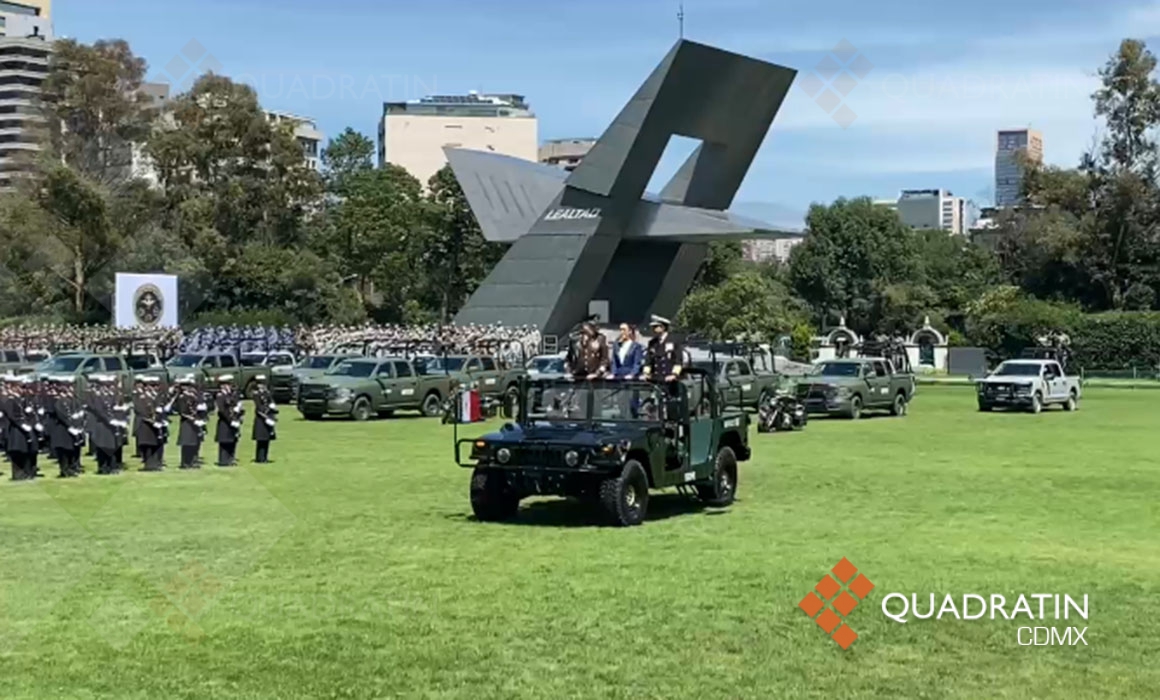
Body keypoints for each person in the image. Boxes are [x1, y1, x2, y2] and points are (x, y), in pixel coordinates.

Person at [642, 316, 684, 382]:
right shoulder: (652, 343)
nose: (653, 329)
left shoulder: (673, 341)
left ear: (663, 327)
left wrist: (674, 374)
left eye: (656, 326)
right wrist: (646, 373)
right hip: (655, 378)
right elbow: (648, 360)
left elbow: (678, 360)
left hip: (669, 379)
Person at [174, 376, 202, 469]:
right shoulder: (182, 397)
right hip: (187, 423)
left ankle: (193, 461)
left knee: (194, 442)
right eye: (186, 386)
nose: (188, 388)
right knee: (187, 443)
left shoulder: (193, 396)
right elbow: (182, 412)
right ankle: (185, 462)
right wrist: (193, 419)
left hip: (194, 422)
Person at [214, 375, 242, 467]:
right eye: (227, 384)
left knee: (232, 440)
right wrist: (231, 421)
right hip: (225, 422)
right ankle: (223, 460)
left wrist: (239, 412)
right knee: (224, 441)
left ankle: (230, 459)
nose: (229, 386)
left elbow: (234, 405)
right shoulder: (220, 395)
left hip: (233, 420)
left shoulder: (231, 395)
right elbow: (222, 410)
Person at [251, 375, 277, 463]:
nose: (262, 385)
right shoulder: (256, 394)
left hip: (268, 417)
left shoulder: (267, 393)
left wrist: (272, 407)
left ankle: (265, 457)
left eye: (263, 383)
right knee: (261, 439)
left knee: (267, 439)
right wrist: (266, 415)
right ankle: (260, 458)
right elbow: (259, 408)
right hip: (261, 419)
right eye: (260, 384)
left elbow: (271, 401)